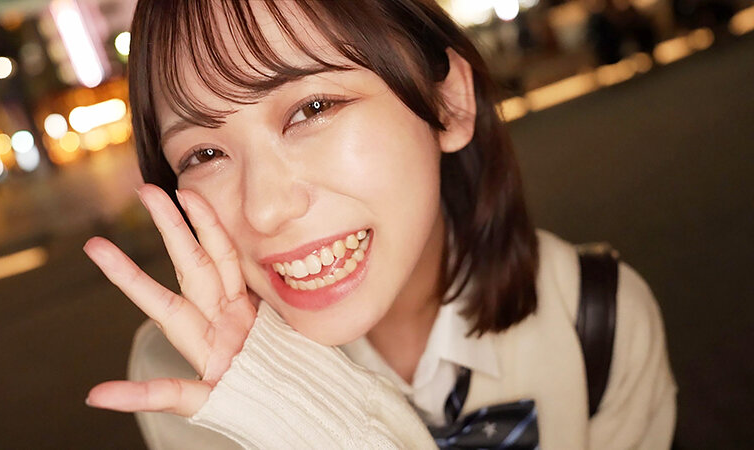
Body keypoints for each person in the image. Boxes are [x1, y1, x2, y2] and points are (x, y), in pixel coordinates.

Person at [83, 0, 677, 448]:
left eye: (312, 109)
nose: (265, 209)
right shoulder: (184, 377)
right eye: (204, 154)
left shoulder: (597, 319)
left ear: (448, 104)